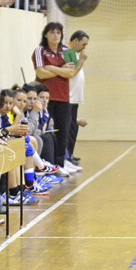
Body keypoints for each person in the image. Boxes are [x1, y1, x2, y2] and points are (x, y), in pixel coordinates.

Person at [32, 22, 76, 173]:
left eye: (58, 33)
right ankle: (46, 164)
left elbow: (71, 72)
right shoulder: (39, 50)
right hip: (45, 98)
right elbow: (40, 73)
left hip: (63, 97)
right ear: (46, 34)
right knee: (44, 130)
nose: (56, 35)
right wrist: (60, 69)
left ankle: (60, 164)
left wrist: (50, 67)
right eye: (52, 32)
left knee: (63, 131)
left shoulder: (68, 51)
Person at [66, 30, 90, 166]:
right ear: (76, 40)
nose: (84, 47)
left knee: (73, 127)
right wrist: (81, 60)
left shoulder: (73, 53)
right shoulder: (68, 52)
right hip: (69, 97)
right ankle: (66, 156)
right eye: (83, 44)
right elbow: (72, 72)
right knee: (69, 128)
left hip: (74, 98)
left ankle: (70, 154)